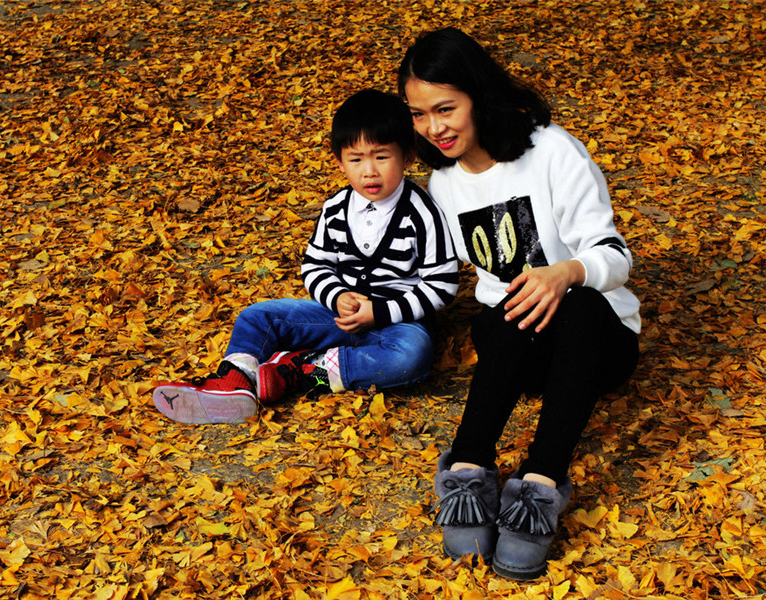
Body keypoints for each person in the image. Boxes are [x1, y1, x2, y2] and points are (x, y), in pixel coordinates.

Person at [398, 28, 641, 580]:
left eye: (445, 108)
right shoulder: (443, 183)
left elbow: (615, 256)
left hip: (597, 340)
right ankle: (467, 466)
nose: (433, 128)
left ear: (478, 97)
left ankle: (542, 482)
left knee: (573, 302)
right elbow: (477, 281)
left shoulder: (552, 150)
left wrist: (563, 274)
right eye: (418, 114)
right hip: (519, 341)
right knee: (505, 308)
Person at [153, 88, 459, 425]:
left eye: (381, 157)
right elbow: (316, 266)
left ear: (408, 157)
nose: (369, 171)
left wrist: (380, 312)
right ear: (340, 161)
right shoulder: (336, 209)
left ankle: (299, 370)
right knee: (258, 317)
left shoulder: (422, 212)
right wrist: (338, 295)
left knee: (411, 358)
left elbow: (441, 284)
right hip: (337, 316)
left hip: (399, 325)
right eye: (356, 159)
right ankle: (236, 381)